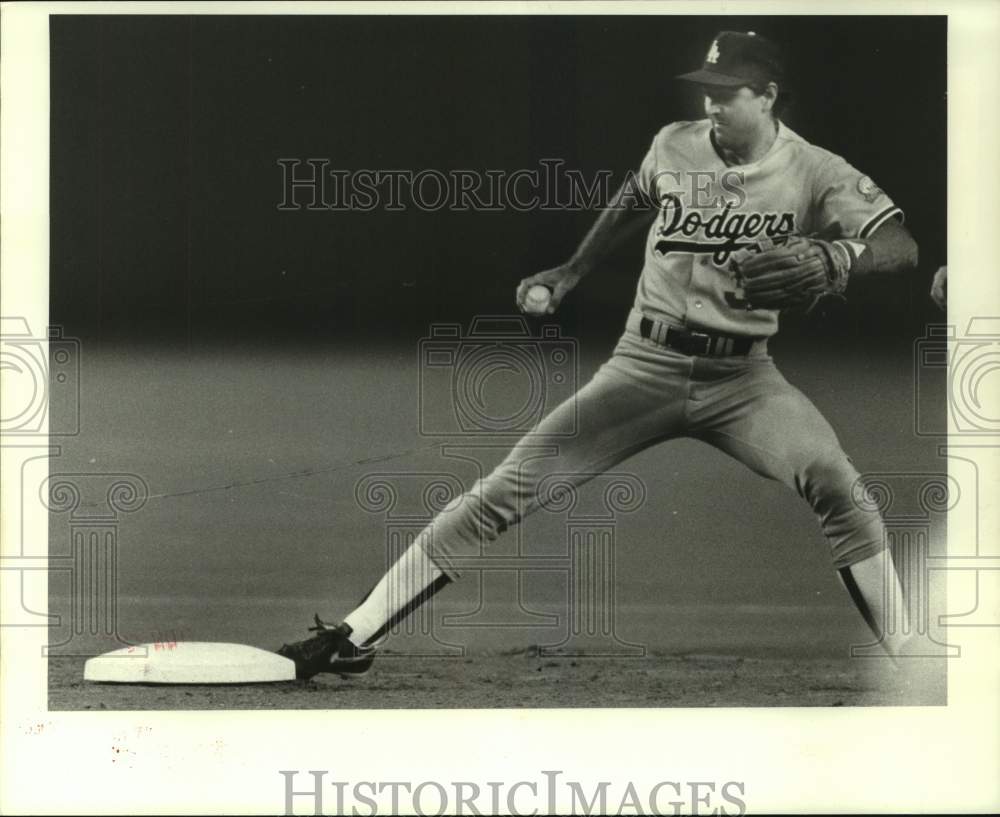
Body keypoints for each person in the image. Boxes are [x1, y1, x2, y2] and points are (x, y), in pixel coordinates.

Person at [278, 31, 921, 680]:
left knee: (837, 481)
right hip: (644, 366)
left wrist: (844, 255)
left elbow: (899, 244)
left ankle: (914, 659)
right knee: (504, 487)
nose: (713, 104)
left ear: (770, 95)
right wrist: (573, 269)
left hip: (744, 380)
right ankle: (356, 633)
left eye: (729, 93)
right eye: (707, 90)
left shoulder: (815, 170)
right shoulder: (674, 144)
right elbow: (633, 201)